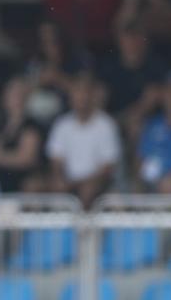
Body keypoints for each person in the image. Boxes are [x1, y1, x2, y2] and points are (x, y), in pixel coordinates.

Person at [47, 76, 121, 209]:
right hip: (68, 180)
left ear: (92, 96)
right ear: (71, 97)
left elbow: (108, 167)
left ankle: (82, 223)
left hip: (96, 182)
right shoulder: (62, 124)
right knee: (38, 185)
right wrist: (59, 178)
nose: (81, 98)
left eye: (84, 93)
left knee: (87, 189)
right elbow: (56, 160)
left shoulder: (106, 124)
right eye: (77, 93)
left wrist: (78, 182)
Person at [0, 77, 45, 192]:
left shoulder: (32, 126)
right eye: (11, 93)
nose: (14, 98)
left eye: (18, 94)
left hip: (21, 185)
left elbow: (26, 159)